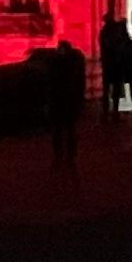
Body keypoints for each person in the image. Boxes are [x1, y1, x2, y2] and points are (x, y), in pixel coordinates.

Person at [41, 36, 87, 171]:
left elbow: (51, 83)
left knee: (64, 129)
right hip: (64, 101)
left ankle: (65, 152)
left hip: (63, 101)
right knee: (64, 129)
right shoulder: (70, 64)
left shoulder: (58, 64)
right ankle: (64, 152)